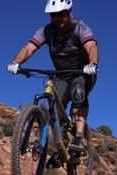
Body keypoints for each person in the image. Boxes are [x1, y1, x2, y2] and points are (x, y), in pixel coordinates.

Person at [7, 0, 99, 152]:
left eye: (61, 14)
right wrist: (16, 62)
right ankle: (58, 147)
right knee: (53, 109)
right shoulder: (47, 31)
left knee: (78, 92)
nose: (57, 18)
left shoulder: (80, 28)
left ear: (69, 12)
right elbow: (30, 48)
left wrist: (93, 64)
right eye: (53, 15)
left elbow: (91, 46)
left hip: (82, 72)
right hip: (62, 75)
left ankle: (79, 137)